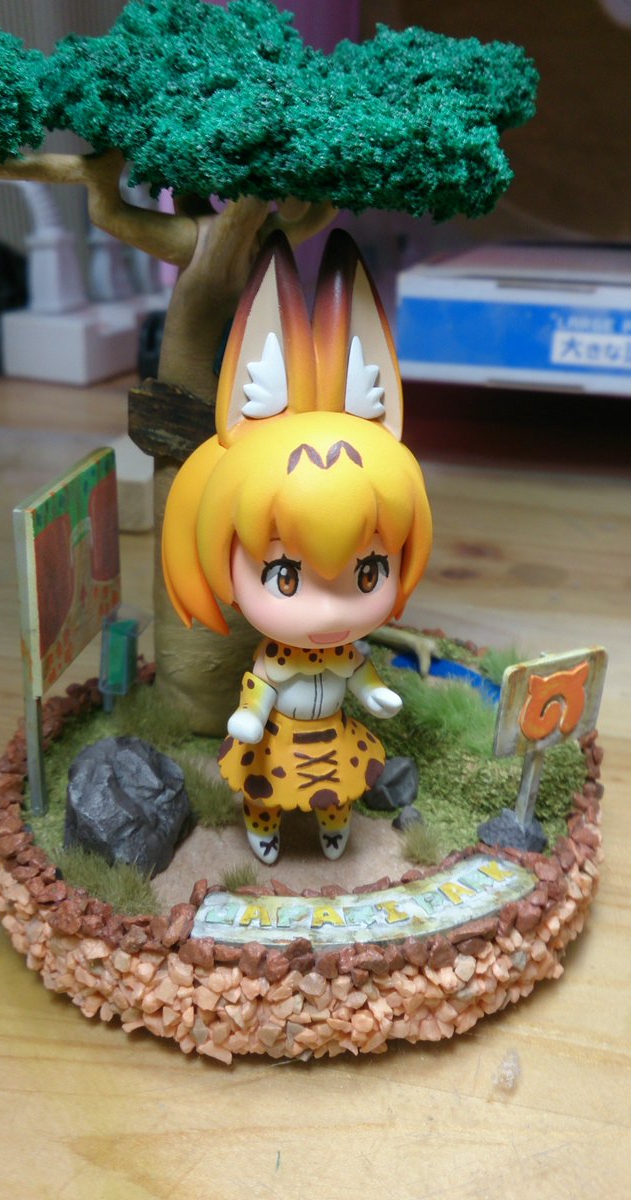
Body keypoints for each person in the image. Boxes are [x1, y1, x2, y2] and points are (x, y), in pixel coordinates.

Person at [162, 230, 432, 864]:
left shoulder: (343, 652)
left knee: (338, 791)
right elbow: (260, 687)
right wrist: (249, 718)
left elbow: (359, 673)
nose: (328, 611)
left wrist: (375, 694)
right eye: (285, 574)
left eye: (368, 572)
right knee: (266, 792)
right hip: (279, 744)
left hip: (333, 743)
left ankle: (335, 828)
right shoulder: (276, 657)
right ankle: (265, 829)